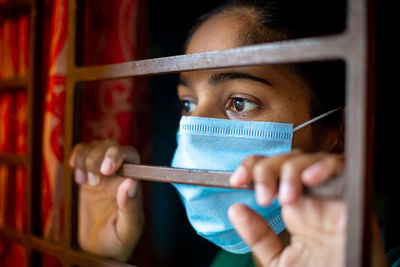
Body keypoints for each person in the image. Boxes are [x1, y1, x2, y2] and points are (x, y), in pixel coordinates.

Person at [68, 0, 389, 266]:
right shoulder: (232, 259)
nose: (193, 130)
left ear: (344, 133)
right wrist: (99, 260)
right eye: (188, 104)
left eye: (239, 102)